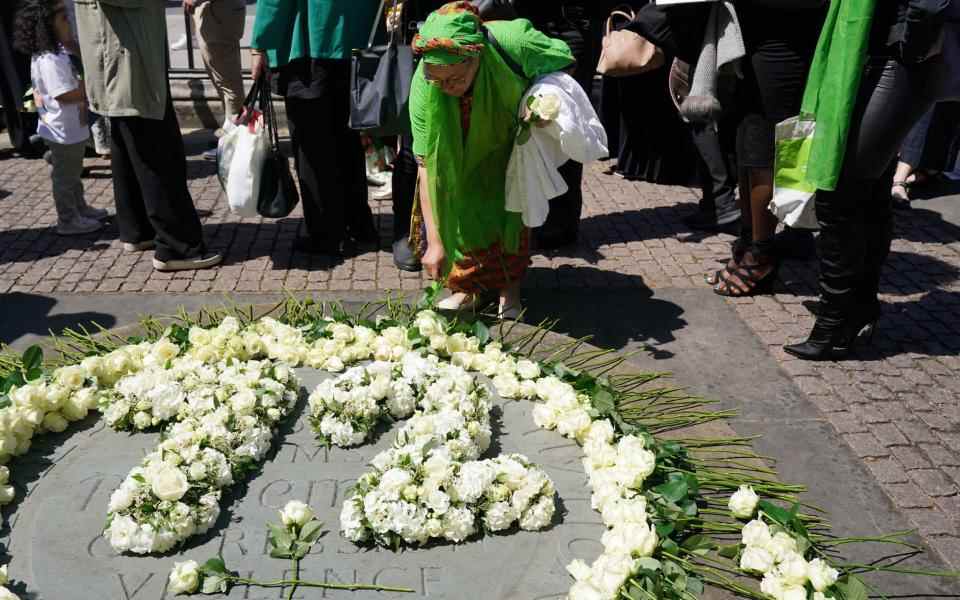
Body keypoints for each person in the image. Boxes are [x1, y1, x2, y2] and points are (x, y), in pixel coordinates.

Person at [784, 0, 959, 360]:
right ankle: (857, 305)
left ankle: (836, 322)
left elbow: (929, 6)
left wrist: (909, 45)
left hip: (901, 57)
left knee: (842, 191)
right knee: (869, 188)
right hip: (877, 50)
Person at [410, 2, 574, 318]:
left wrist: (542, 100)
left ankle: (509, 290)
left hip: (511, 136)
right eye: (437, 81)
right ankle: (466, 287)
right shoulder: (425, 83)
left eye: (454, 79)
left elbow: (564, 61)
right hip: (457, 148)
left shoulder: (515, 41)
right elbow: (427, 168)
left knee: (510, 208)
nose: (446, 89)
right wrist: (434, 243)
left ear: (476, 57)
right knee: (462, 207)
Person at [74, 0, 221, 271]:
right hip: (128, 55)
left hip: (123, 51)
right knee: (157, 153)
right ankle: (178, 247)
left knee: (128, 146)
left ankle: (138, 229)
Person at [250, 0, 379, 257]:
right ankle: (359, 225)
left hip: (307, 45)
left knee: (312, 149)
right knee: (347, 140)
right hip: (354, 39)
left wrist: (260, 42)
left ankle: (326, 234)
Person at [13, 0, 107, 236]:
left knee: (73, 172)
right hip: (62, 129)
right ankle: (68, 219)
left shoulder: (56, 52)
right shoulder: (51, 60)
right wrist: (89, 88)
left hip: (66, 127)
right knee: (66, 176)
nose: (69, 22)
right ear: (48, 26)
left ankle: (80, 208)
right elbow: (63, 94)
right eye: (63, 18)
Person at [183, 0, 246, 159]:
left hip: (218, 15)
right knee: (223, 82)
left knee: (228, 84)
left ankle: (234, 144)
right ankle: (231, 137)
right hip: (213, 14)